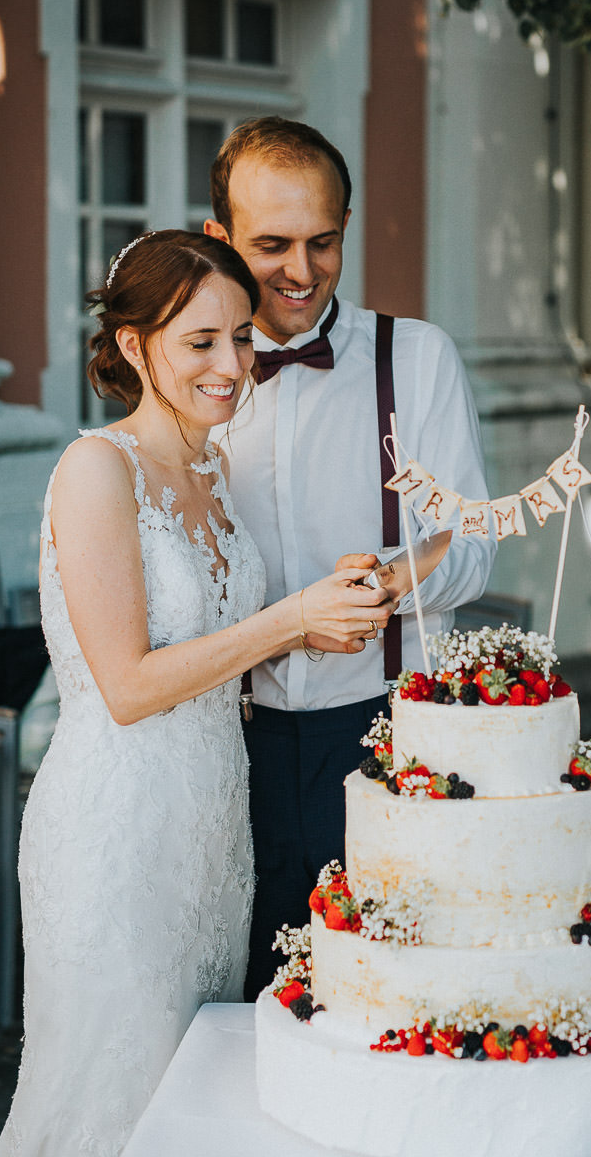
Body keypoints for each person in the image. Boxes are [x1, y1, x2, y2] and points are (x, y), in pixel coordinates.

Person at [0, 230, 391, 1157]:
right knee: (105, 1109)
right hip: (114, 833)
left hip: (211, 829)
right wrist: (289, 619)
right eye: (201, 342)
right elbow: (123, 686)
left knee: (180, 1115)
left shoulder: (212, 470)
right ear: (135, 345)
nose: (231, 366)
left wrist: (348, 601)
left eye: (242, 343)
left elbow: (227, 657)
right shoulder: (94, 467)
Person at [204, 117, 495, 998]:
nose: (300, 270)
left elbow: (471, 545)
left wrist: (380, 588)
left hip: (377, 728)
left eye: (322, 242)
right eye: (270, 245)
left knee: (381, 992)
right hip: (225, 741)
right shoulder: (191, 375)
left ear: (347, 226)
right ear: (219, 239)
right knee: (243, 996)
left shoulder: (418, 357)